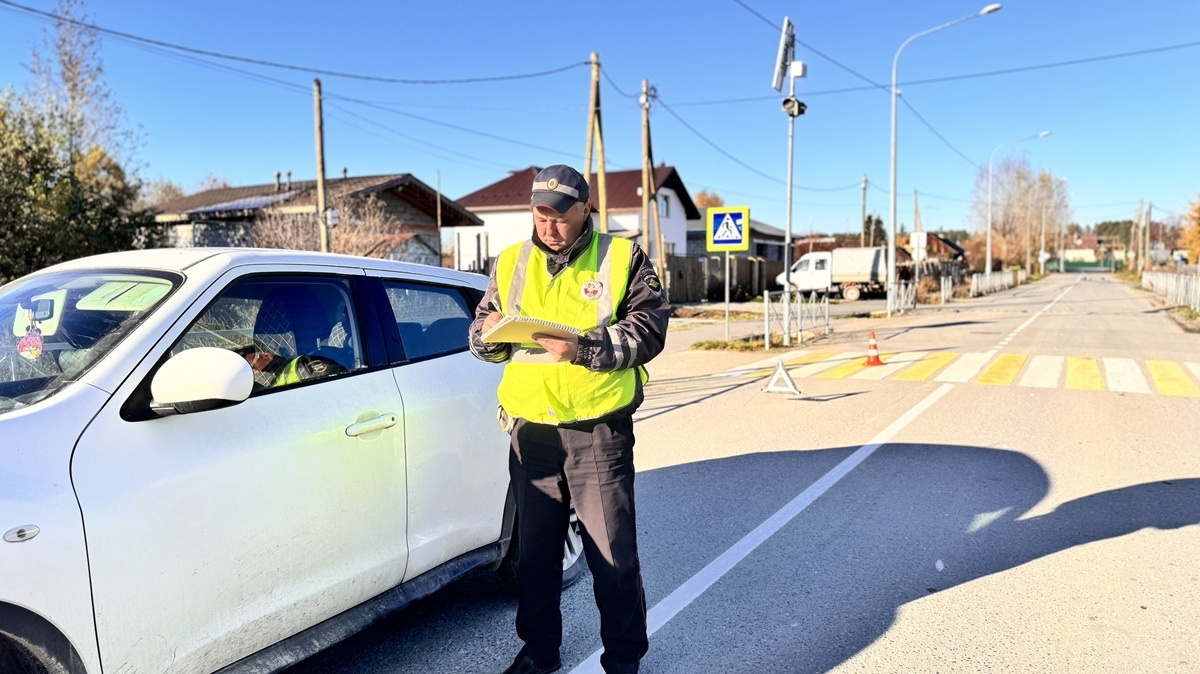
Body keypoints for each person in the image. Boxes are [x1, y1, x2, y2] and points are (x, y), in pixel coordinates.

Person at [469, 165, 670, 674]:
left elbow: (649, 330)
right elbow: (479, 336)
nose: (548, 226)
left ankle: (624, 659)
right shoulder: (511, 260)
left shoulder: (623, 257)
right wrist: (488, 335)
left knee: (611, 555)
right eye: (540, 215)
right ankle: (539, 651)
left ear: (586, 211)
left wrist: (585, 348)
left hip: (597, 431)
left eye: (560, 217)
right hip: (531, 432)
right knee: (535, 556)